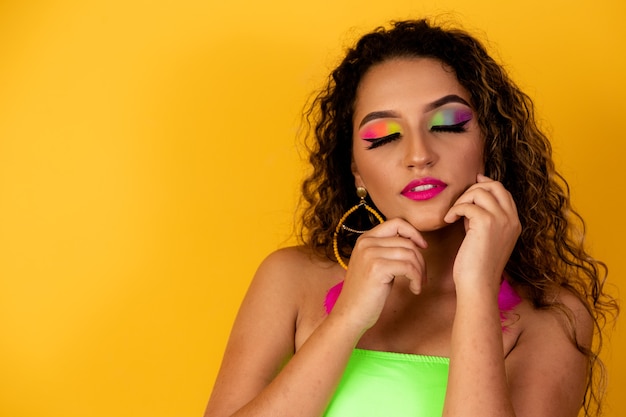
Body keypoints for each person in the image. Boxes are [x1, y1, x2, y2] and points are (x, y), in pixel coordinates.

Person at [204, 19, 618, 417]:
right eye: (384, 136)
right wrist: (347, 319)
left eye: (449, 125)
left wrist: (476, 290)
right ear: (356, 171)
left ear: (490, 145)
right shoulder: (289, 280)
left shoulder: (551, 317)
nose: (419, 155)